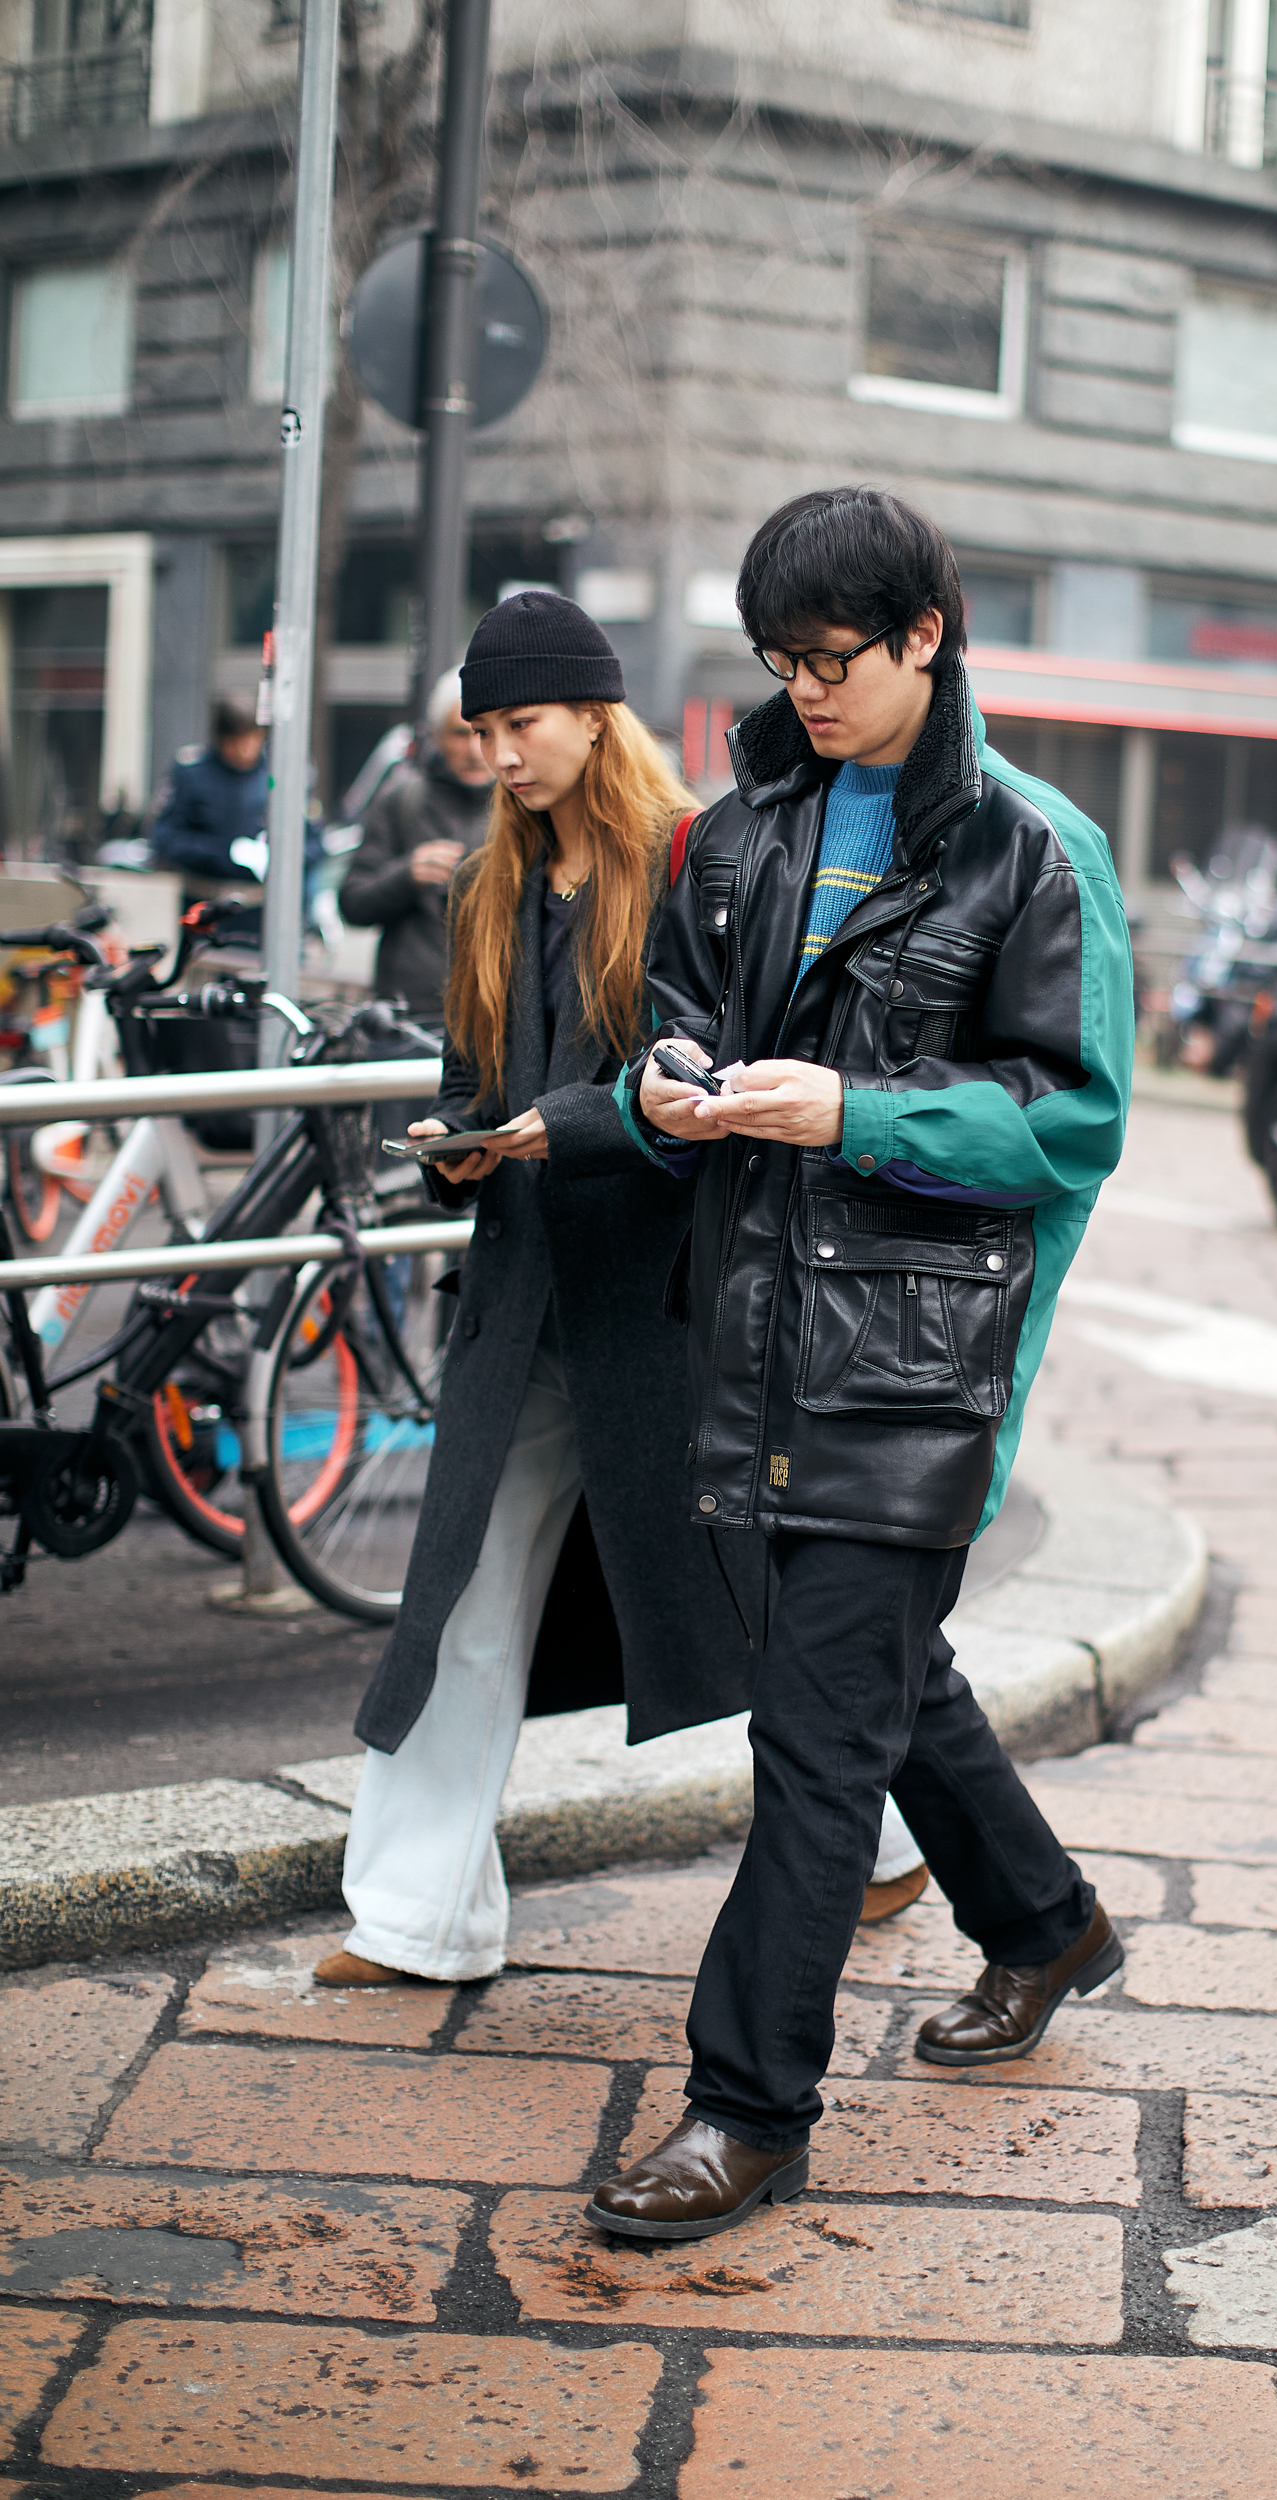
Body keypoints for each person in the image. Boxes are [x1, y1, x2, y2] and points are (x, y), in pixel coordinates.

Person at [590, 487, 1136, 2241]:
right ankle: (1042, 1921)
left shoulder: (1030, 847)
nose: (805, 692)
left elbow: (1073, 1125)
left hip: (918, 1364)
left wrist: (861, 1114)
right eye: (779, 664)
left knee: (815, 1738)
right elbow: (670, 1029)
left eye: (834, 661)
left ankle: (746, 2106)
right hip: (746, 1342)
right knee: (874, 1687)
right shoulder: (734, 830)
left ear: (926, 632)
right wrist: (664, 1091)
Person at [313, 591, 763, 1989]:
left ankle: (874, 1838)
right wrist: (457, 1147)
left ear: (592, 714)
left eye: (524, 724)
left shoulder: (695, 863)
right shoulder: (486, 886)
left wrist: (553, 1129)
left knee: (763, 1595)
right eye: (484, 730)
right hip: (518, 1305)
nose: (500, 754)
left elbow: (702, 1067)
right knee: (457, 1599)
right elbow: (468, 1075)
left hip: (661, 1307)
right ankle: (413, 1918)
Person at [338, 667, 495, 1025]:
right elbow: (353, 903)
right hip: (409, 1019)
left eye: (481, 733)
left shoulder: (527, 807)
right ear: (436, 736)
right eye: (459, 734)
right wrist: (406, 875)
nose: (473, 750)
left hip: (497, 1020)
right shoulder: (401, 800)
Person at [149, 694, 270, 885]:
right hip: (204, 893)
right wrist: (225, 852)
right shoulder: (192, 773)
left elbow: (312, 842)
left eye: (250, 740)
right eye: (234, 742)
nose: (243, 751)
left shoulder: (276, 775)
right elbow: (165, 838)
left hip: (259, 901)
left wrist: (271, 854)